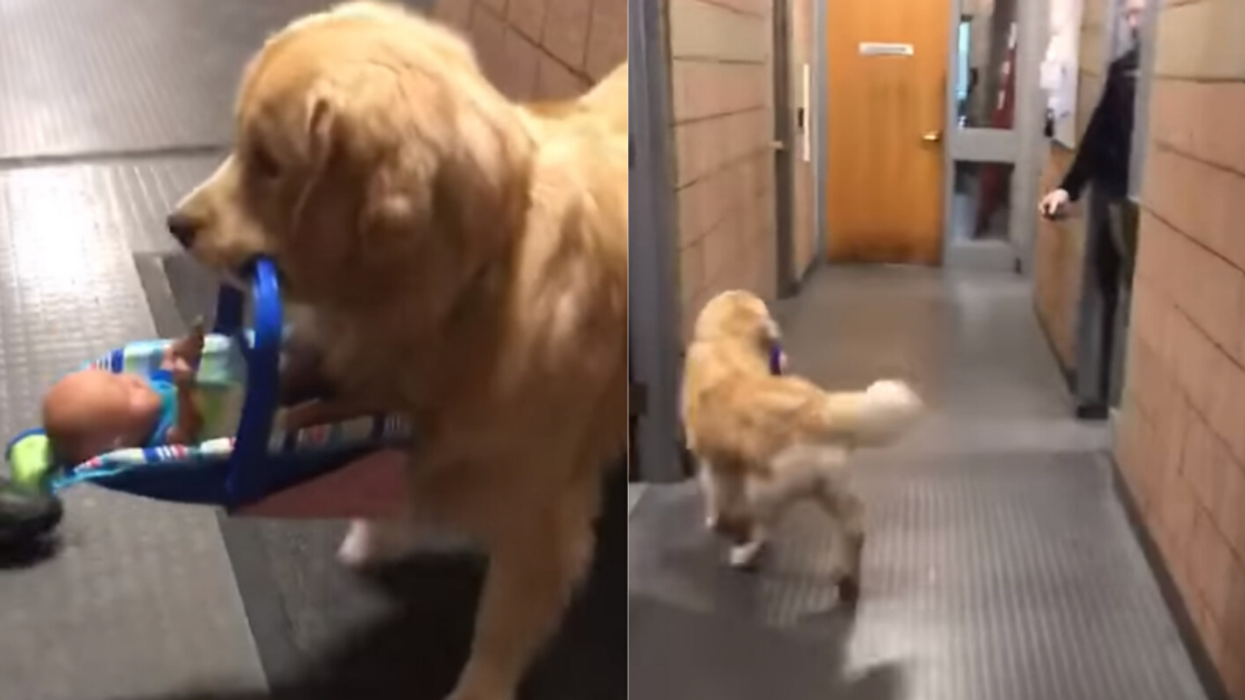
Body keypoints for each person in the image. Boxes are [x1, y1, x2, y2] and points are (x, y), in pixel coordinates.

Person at [1039, 0, 1145, 416]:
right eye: (1129, 13)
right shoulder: (1123, 71)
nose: (1133, 21)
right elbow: (1099, 134)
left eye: (1139, 11)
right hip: (1116, 196)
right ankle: (1102, 396)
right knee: (1108, 292)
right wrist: (1068, 189)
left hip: (1145, 207)